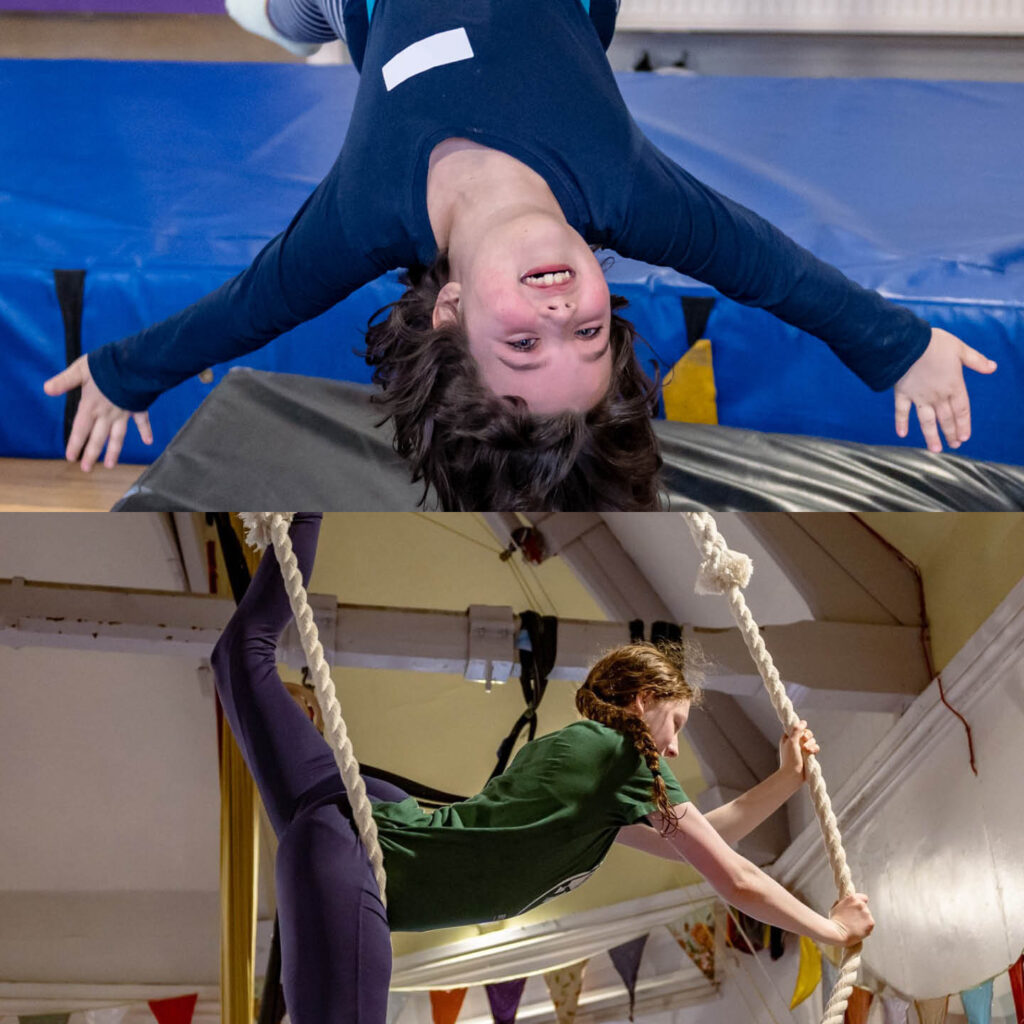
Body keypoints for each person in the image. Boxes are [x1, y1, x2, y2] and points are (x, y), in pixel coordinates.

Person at [43, 0, 996, 508]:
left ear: (450, 312)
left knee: (285, 12)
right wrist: (898, 347)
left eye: (526, 348)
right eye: (589, 333)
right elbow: (777, 271)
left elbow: (246, 309)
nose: (558, 315)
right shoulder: (626, 190)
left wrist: (127, 374)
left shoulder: (363, 216)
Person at [209, 514, 874, 1022]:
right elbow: (735, 877)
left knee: (241, 656)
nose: (672, 751)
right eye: (675, 728)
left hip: (358, 820)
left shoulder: (588, 774)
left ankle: (305, 511)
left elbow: (706, 837)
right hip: (358, 858)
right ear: (643, 706)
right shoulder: (625, 758)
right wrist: (831, 928)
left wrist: (785, 780)